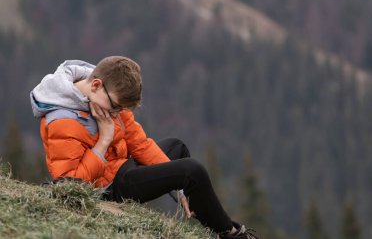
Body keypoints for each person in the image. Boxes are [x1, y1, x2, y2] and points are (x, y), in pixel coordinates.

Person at [30, 56, 259, 239]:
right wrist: (104, 141)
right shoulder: (63, 120)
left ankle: (204, 215)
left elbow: (139, 144)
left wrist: (178, 189)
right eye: (116, 107)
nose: (116, 114)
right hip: (109, 190)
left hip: (123, 169)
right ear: (96, 85)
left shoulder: (107, 95)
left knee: (177, 148)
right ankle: (230, 233)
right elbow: (70, 183)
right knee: (192, 170)